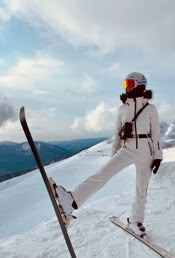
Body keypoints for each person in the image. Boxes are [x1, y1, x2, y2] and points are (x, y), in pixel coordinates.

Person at [49, 72, 163, 237]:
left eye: (129, 84)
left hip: (146, 150)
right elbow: (117, 134)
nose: (126, 88)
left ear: (140, 85)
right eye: (125, 85)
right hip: (128, 148)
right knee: (102, 174)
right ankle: (71, 201)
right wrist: (113, 155)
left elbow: (157, 134)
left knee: (141, 188)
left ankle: (135, 221)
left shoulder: (151, 109)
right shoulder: (123, 109)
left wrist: (158, 155)